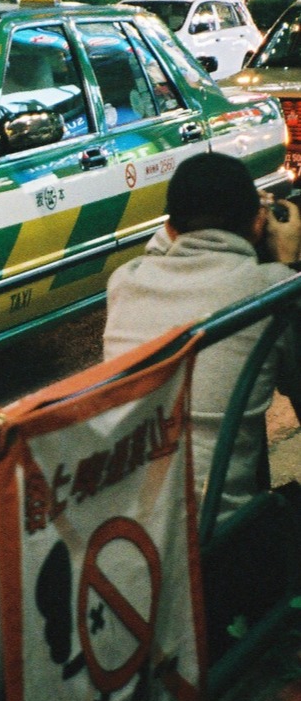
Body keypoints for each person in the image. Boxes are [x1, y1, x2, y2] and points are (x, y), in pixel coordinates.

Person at [103, 152, 301, 525]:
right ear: (257, 224)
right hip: (218, 537)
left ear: (171, 228)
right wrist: (288, 267)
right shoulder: (273, 291)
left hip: (127, 528)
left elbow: (162, 245)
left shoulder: (125, 281)